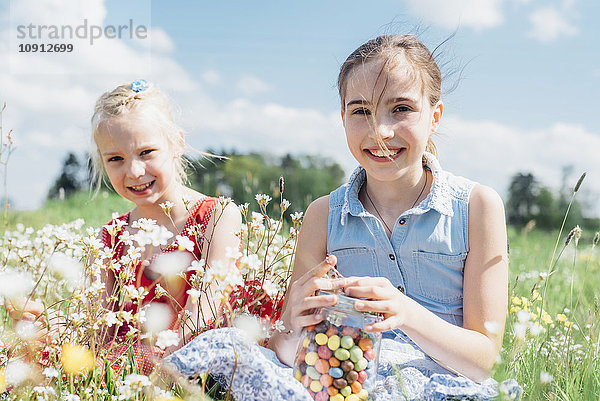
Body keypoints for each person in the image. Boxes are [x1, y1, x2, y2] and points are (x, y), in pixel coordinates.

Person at [165, 35, 520, 400]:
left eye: (401, 109)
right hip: (335, 380)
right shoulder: (323, 215)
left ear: (435, 116)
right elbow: (288, 351)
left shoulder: (475, 206)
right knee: (227, 347)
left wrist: (405, 313)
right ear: (343, 118)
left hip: (436, 385)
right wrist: (295, 319)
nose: (380, 131)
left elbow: (484, 362)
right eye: (361, 111)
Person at [6, 79, 242, 375]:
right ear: (102, 163)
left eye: (146, 152)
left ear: (177, 143)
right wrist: (49, 329)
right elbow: (96, 332)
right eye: (116, 159)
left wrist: (150, 366)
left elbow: (206, 314)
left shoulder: (217, 216)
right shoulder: (110, 237)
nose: (134, 171)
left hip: (190, 366)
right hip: (118, 368)